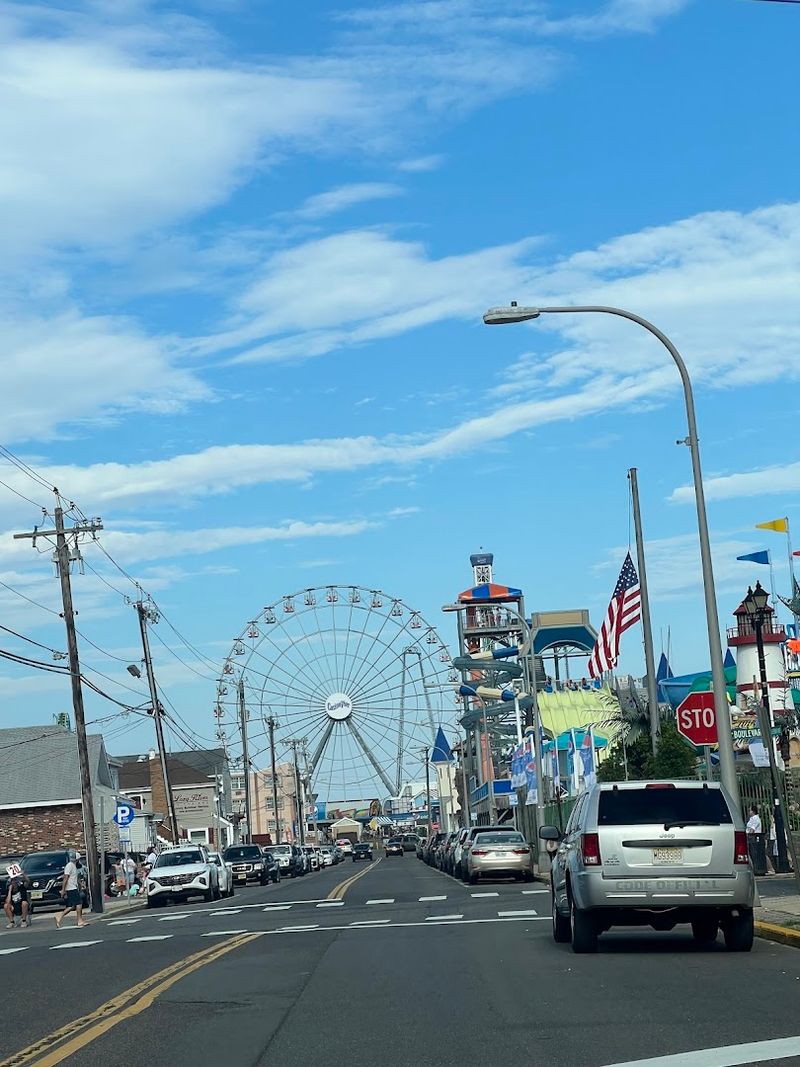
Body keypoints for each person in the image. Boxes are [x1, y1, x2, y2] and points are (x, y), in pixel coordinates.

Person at [55, 850, 88, 929]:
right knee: (79, 903)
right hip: (71, 888)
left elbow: (76, 878)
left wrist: (81, 885)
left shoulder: (73, 866)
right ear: (76, 859)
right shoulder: (69, 866)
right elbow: (66, 878)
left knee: (72, 906)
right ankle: (79, 920)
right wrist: (63, 890)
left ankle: (59, 915)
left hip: (73, 887)